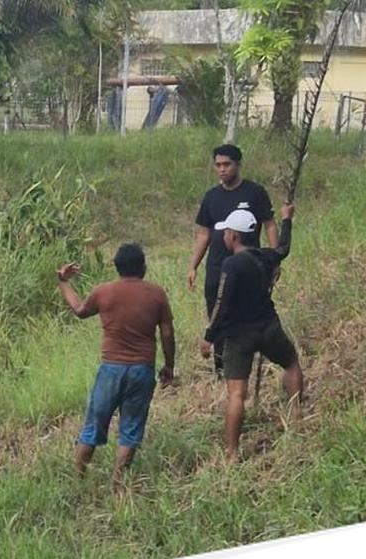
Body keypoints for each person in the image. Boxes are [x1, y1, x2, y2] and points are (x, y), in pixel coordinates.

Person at [57, 244, 175, 486]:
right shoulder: (156, 294)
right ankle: (118, 483)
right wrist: (169, 365)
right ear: (143, 266)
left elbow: (79, 310)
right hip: (142, 369)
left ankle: (77, 480)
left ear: (117, 267)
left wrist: (63, 282)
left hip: (110, 369)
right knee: (130, 431)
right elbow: (167, 333)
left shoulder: (104, 292)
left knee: (92, 427)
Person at [202, 203, 302, 462]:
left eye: (226, 232)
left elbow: (222, 304)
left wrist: (208, 337)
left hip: (239, 337)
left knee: (237, 393)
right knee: (291, 364)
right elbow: (283, 248)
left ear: (234, 236)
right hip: (269, 328)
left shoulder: (231, 265)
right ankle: (296, 417)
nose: (224, 236)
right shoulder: (266, 256)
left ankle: (232, 453)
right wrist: (286, 219)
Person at [189, 144, 278, 375]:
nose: (222, 169)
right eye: (218, 165)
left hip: (248, 266)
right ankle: (221, 367)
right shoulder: (211, 197)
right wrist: (193, 266)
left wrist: (274, 258)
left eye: (227, 164)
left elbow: (269, 224)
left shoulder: (255, 192)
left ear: (238, 164)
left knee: (247, 313)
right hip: (216, 267)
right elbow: (204, 233)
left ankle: (247, 362)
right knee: (217, 314)